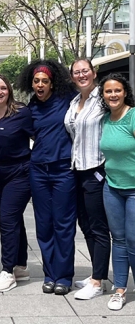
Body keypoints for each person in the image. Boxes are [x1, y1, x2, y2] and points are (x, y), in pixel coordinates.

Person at [17, 59, 77, 295]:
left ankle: (64, 276)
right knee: (44, 225)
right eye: (36, 81)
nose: (40, 85)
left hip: (64, 170)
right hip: (39, 171)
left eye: (45, 81)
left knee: (63, 224)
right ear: (31, 83)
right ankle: (50, 275)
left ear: (52, 83)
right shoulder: (30, 108)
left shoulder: (67, 101)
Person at [0, 74, 33, 292]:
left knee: (7, 220)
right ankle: (20, 265)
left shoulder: (21, 113)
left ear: (9, 90)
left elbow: (40, 138)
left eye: (3, 88)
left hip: (19, 173)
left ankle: (7, 271)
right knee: (14, 220)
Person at [64, 59, 110, 300]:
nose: (81, 75)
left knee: (99, 227)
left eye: (85, 71)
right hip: (76, 170)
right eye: (76, 72)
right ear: (72, 77)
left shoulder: (103, 98)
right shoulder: (74, 102)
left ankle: (98, 281)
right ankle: (96, 274)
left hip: (96, 170)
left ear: (94, 73)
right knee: (85, 225)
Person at [99, 73, 135, 311]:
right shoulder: (105, 120)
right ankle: (120, 289)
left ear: (125, 92)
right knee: (119, 240)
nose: (113, 95)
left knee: (133, 240)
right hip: (111, 187)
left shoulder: (132, 117)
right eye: (108, 91)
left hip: (134, 190)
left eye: (117, 90)